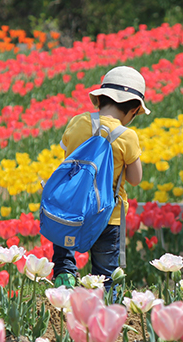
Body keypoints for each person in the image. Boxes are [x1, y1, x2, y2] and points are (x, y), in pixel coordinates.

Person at [52, 66, 148, 289]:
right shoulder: (127, 136)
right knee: (106, 275)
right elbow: (135, 178)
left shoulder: (77, 122)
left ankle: (64, 279)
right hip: (108, 215)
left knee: (65, 255)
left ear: (99, 100)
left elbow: (67, 154)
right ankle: (106, 310)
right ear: (133, 109)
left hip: (71, 210)